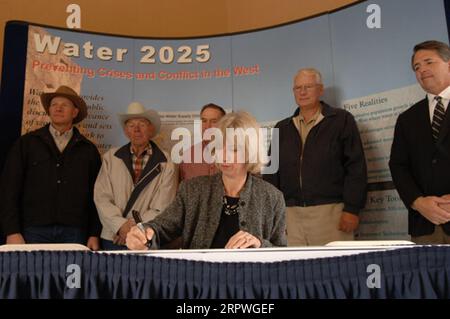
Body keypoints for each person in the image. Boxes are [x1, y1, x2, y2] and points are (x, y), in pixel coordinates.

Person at [126, 111, 286, 250]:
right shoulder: (192, 190)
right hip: (200, 282)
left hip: (249, 283)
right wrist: (145, 233)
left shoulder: (272, 197)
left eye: (234, 149)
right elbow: (161, 227)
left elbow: (281, 252)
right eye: (220, 147)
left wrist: (259, 244)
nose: (224, 155)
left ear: (251, 152)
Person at [263, 68, 367, 246]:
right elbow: (272, 175)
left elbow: (355, 167)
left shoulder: (341, 120)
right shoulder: (281, 128)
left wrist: (352, 209)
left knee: (333, 269)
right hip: (290, 216)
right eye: (298, 88)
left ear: (320, 90)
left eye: (308, 86)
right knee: (295, 270)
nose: (302, 92)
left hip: (331, 213)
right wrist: (274, 216)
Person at [0, 85, 102, 249]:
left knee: (72, 275)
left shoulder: (88, 150)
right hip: (33, 230)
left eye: (64, 105)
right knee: (33, 275)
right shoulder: (26, 144)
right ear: (48, 110)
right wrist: (12, 231)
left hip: (75, 231)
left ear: (75, 112)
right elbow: (9, 189)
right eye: (54, 104)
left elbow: (98, 195)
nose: (58, 108)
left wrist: (94, 233)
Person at [94, 102, 178, 250]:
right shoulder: (110, 158)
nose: (137, 130)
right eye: (131, 125)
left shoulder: (167, 162)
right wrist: (120, 226)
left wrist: (133, 230)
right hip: (113, 237)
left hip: (145, 237)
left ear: (151, 129)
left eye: (142, 124)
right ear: (126, 131)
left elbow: (163, 205)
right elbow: (102, 197)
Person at [389, 40, 450, 244]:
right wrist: (418, 202)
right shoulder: (407, 118)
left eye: (428, 62)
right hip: (424, 226)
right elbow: (398, 166)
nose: (422, 69)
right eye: (417, 67)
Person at [179, 103, 226, 181]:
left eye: (214, 121)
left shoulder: (235, 154)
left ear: (224, 124)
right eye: (204, 121)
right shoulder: (188, 155)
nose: (207, 126)